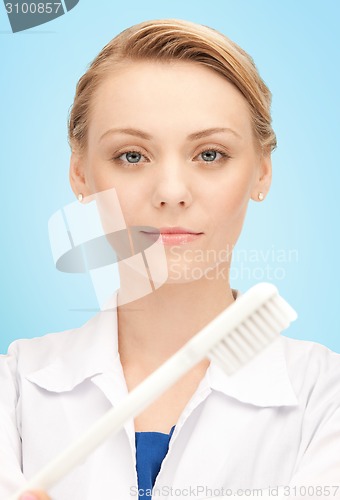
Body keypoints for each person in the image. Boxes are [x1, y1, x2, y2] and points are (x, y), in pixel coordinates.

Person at [1, 18, 340, 500]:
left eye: (210, 154)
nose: (172, 193)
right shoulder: (13, 390)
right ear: (79, 173)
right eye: (133, 156)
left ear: (262, 172)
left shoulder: (327, 398)